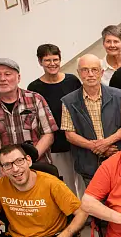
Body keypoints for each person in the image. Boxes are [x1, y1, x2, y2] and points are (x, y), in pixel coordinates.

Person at [0, 58, 58, 179]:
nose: (2, 79)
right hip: (6, 172)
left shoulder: (35, 99)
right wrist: (8, 163)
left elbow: (48, 134)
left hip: (39, 167)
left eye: (7, 74)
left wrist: (29, 160)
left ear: (19, 77)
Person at [61, 54, 121, 185]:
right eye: (85, 70)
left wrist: (106, 142)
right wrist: (96, 147)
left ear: (101, 72)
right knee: (94, 203)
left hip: (118, 161)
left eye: (94, 69)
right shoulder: (68, 101)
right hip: (88, 166)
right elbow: (69, 135)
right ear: (79, 73)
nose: (90, 74)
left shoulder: (118, 95)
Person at [26, 44, 82, 194]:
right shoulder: (34, 87)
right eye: (47, 60)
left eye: (55, 59)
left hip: (78, 140)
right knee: (66, 184)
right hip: (56, 146)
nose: (52, 64)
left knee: (83, 181)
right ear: (40, 62)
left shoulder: (72, 81)